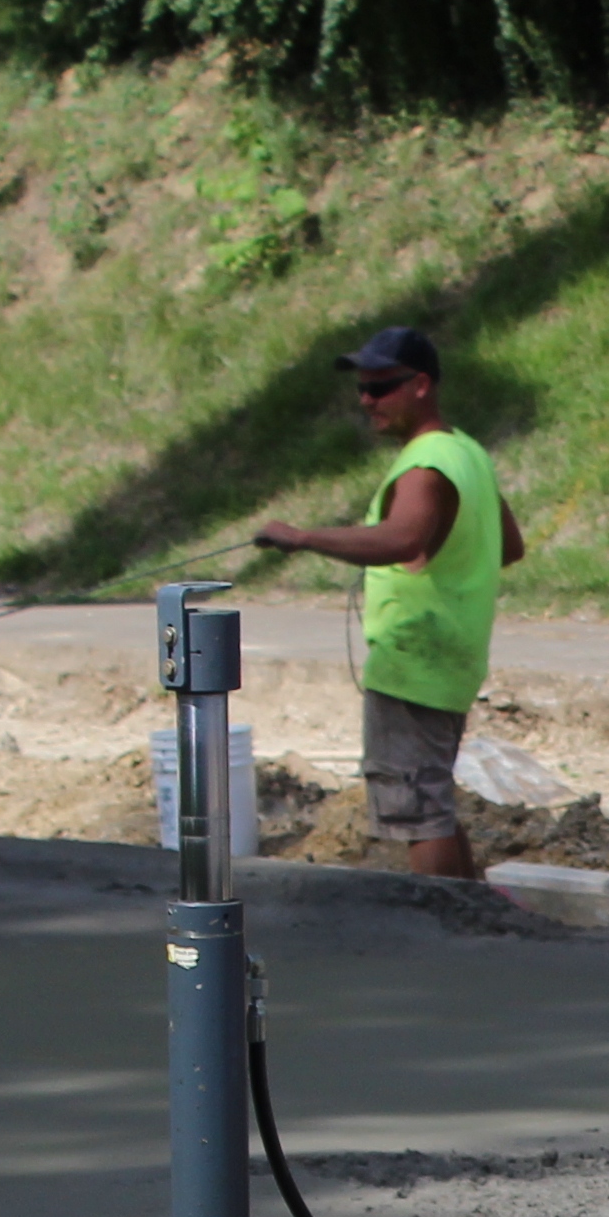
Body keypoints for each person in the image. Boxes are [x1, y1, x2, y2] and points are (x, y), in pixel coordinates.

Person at [250, 325, 525, 881]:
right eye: (362, 389)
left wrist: (303, 538)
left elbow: (403, 539)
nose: (367, 400)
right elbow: (509, 545)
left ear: (421, 385)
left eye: (380, 388)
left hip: (414, 661)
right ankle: (473, 913)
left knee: (417, 813)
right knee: (432, 801)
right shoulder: (465, 452)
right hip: (450, 658)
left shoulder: (425, 465)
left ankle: (439, 923)